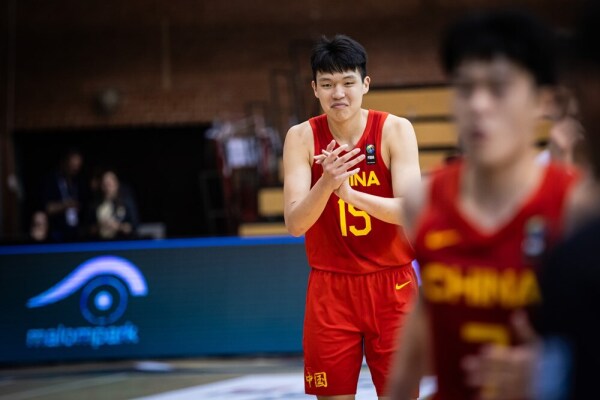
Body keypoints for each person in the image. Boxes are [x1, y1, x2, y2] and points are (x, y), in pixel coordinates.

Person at [387, 9, 580, 400]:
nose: (477, 104)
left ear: (543, 100)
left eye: (498, 88)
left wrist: (554, 372)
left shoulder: (579, 205)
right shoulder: (423, 198)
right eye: (464, 88)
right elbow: (423, 321)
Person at [283, 34, 421, 399]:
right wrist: (327, 182)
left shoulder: (395, 130)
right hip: (331, 289)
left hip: (392, 285)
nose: (338, 93)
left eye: (347, 82)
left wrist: (350, 194)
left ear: (365, 84)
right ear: (315, 89)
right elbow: (295, 224)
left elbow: (411, 211)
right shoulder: (300, 137)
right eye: (327, 84)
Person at [41, 148, 86, 242]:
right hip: (57, 233)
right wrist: (66, 205)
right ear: (64, 163)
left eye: (77, 167)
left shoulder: (79, 183)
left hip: (76, 233)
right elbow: (48, 208)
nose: (75, 169)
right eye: (72, 166)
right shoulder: (51, 182)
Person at [85, 169, 139, 240]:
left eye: (110, 184)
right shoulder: (94, 205)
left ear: (116, 184)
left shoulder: (126, 202)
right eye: (105, 184)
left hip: (122, 242)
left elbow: (134, 226)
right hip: (100, 243)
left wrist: (118, 226)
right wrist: (100, 226)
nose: (107, 188)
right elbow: (87, 229)